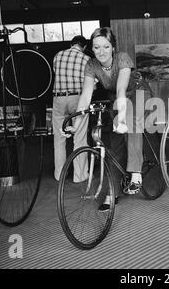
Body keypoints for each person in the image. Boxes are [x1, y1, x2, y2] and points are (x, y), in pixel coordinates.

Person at [65, 27, 153, 211]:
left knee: (131, 121)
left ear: (113, 47)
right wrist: (76, 125)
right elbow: (85, 97)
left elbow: (121, 89)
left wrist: (121, 116)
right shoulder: (91, 65)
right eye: (97, 47)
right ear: (92, 48)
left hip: (137, 92)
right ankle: (112, 193)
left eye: (106, 46)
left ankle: (136, 172)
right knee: (115, 142)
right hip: (117, 98)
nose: (101, 52)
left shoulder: (122, 58)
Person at [52, 35, 91, 182]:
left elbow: (57, 74)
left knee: (59, 137)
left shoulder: (58, 55)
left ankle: (60, 174)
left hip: (59, 98)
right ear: (84, 47)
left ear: (71, 44)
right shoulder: (86, 59)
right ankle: (80, 176)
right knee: (79, 137)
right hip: (77, 98)